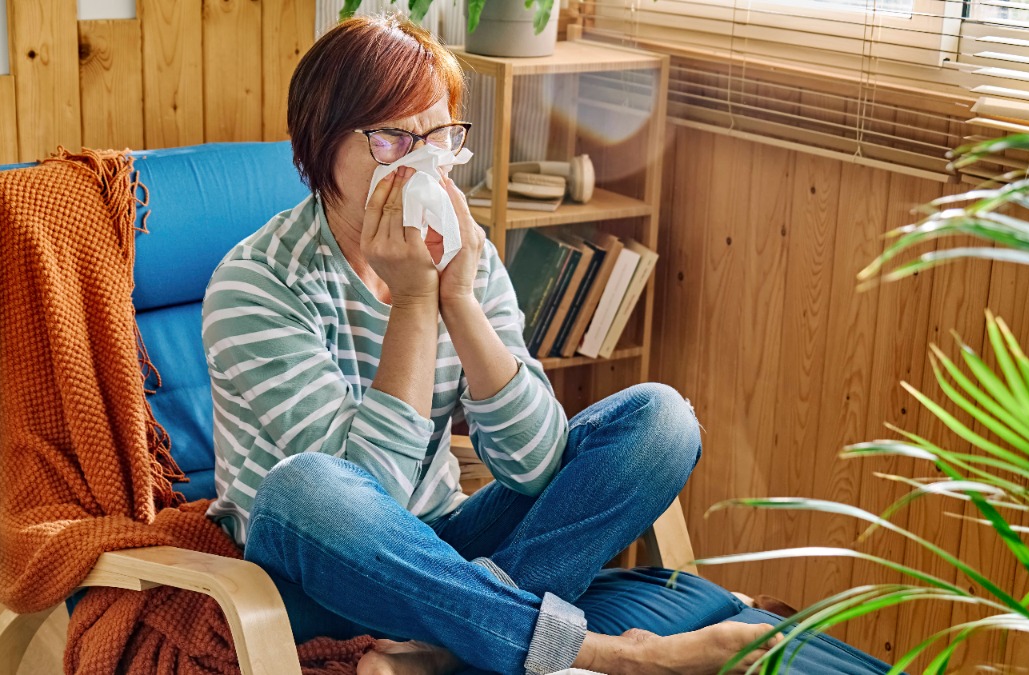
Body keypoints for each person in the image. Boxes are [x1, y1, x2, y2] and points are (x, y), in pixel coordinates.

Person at [202, 14, 886, 675]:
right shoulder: (254, 285)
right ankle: (615, 654)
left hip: (446, 548)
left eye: (437, 138)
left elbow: (533, 466)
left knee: (662, 421)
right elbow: (368, 491)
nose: (421, 166)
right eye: (390, 140)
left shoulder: (464, 255)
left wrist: (459, 301)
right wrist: (415, 301)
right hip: (314, 570)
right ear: (321, 146)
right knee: (306, 487)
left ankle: (453, 645)